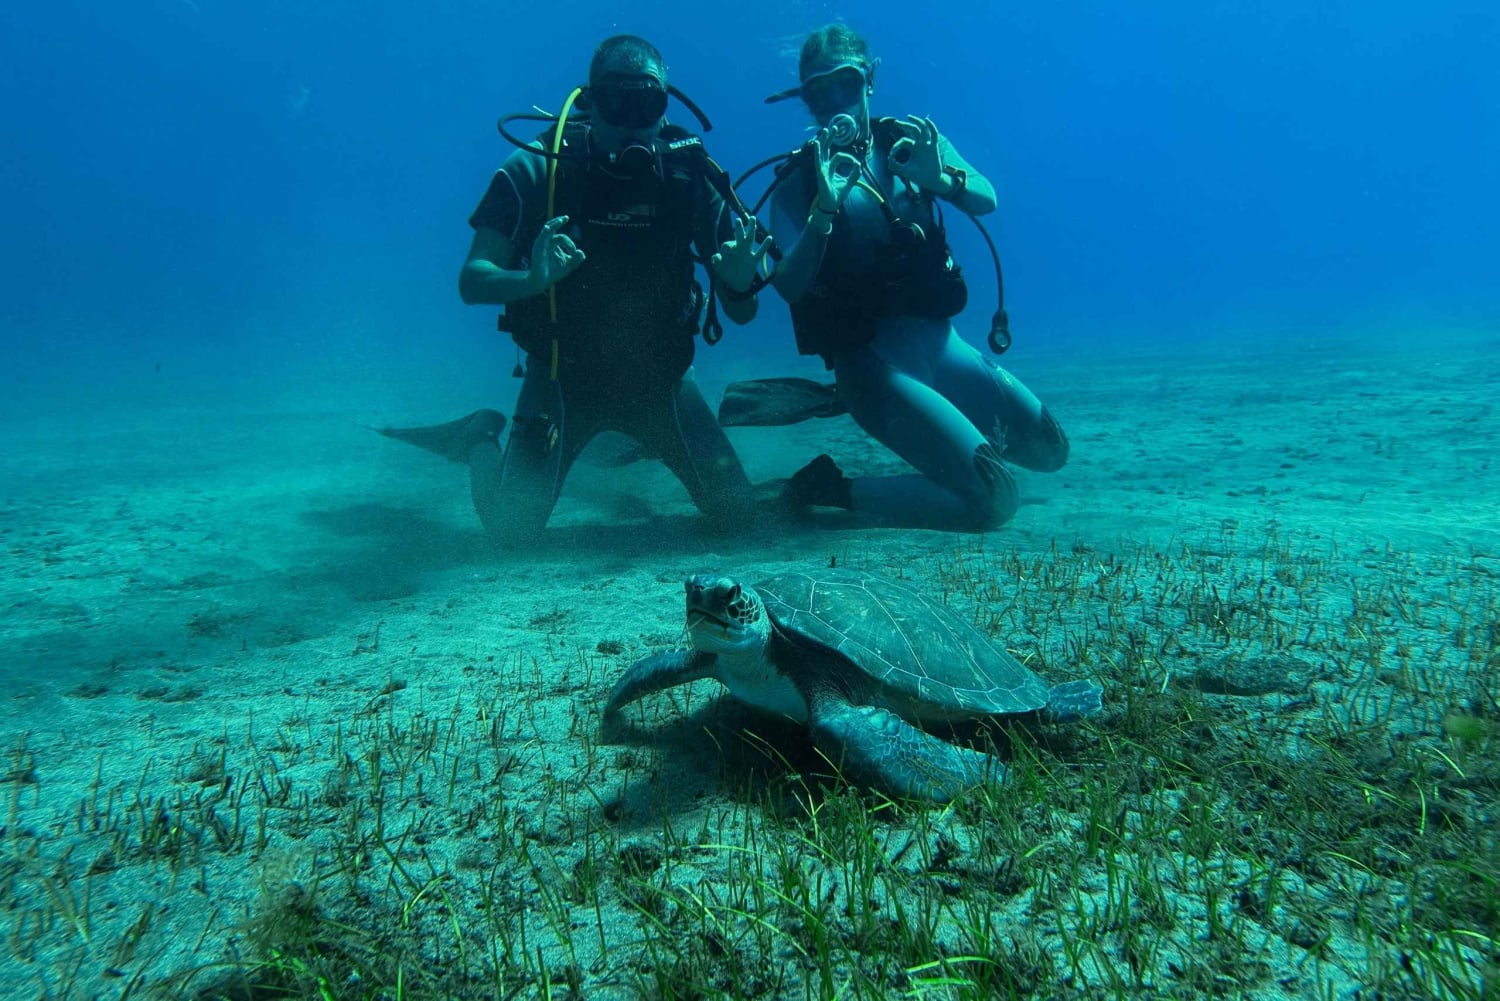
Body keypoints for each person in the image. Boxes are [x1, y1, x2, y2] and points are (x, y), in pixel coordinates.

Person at [379, 35, 766, 544]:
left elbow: (743, 312)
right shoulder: (537, 169)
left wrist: (740, 285)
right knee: (509, 533)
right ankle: (479, 435)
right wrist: (531, 280)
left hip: (663, 384)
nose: (631, 119)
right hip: (562, 379)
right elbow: (472, 281)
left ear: (665, 107)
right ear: (589, 103)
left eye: (647, 103)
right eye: (615, 100)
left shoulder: (689, 176)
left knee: (739, 519)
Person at [764, 24, 1069, 531]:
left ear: (871, 80)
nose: (836, 102)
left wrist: (939, 179)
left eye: (847, 84)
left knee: (1050, 449)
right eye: (820, 94)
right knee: (992, 501)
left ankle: (941, 442)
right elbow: (790, 286)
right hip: (873, 369)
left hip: (941, 346)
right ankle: (828, 488)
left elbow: (986, 198)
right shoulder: (796, 183)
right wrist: (822, 212)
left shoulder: (909, 145)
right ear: (806, 102)